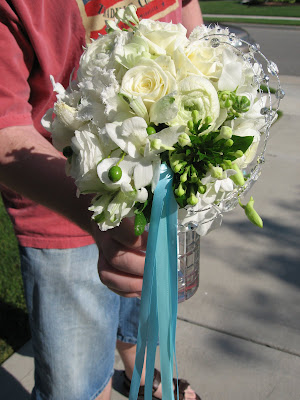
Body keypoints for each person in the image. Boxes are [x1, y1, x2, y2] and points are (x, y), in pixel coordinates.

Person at [0, 0, 203, 399]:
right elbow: (5, 128)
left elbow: (187, 7)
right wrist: (96, 218)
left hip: (158, 189)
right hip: (61, 201)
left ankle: (140, 374)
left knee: (138, 309)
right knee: (75, 384)